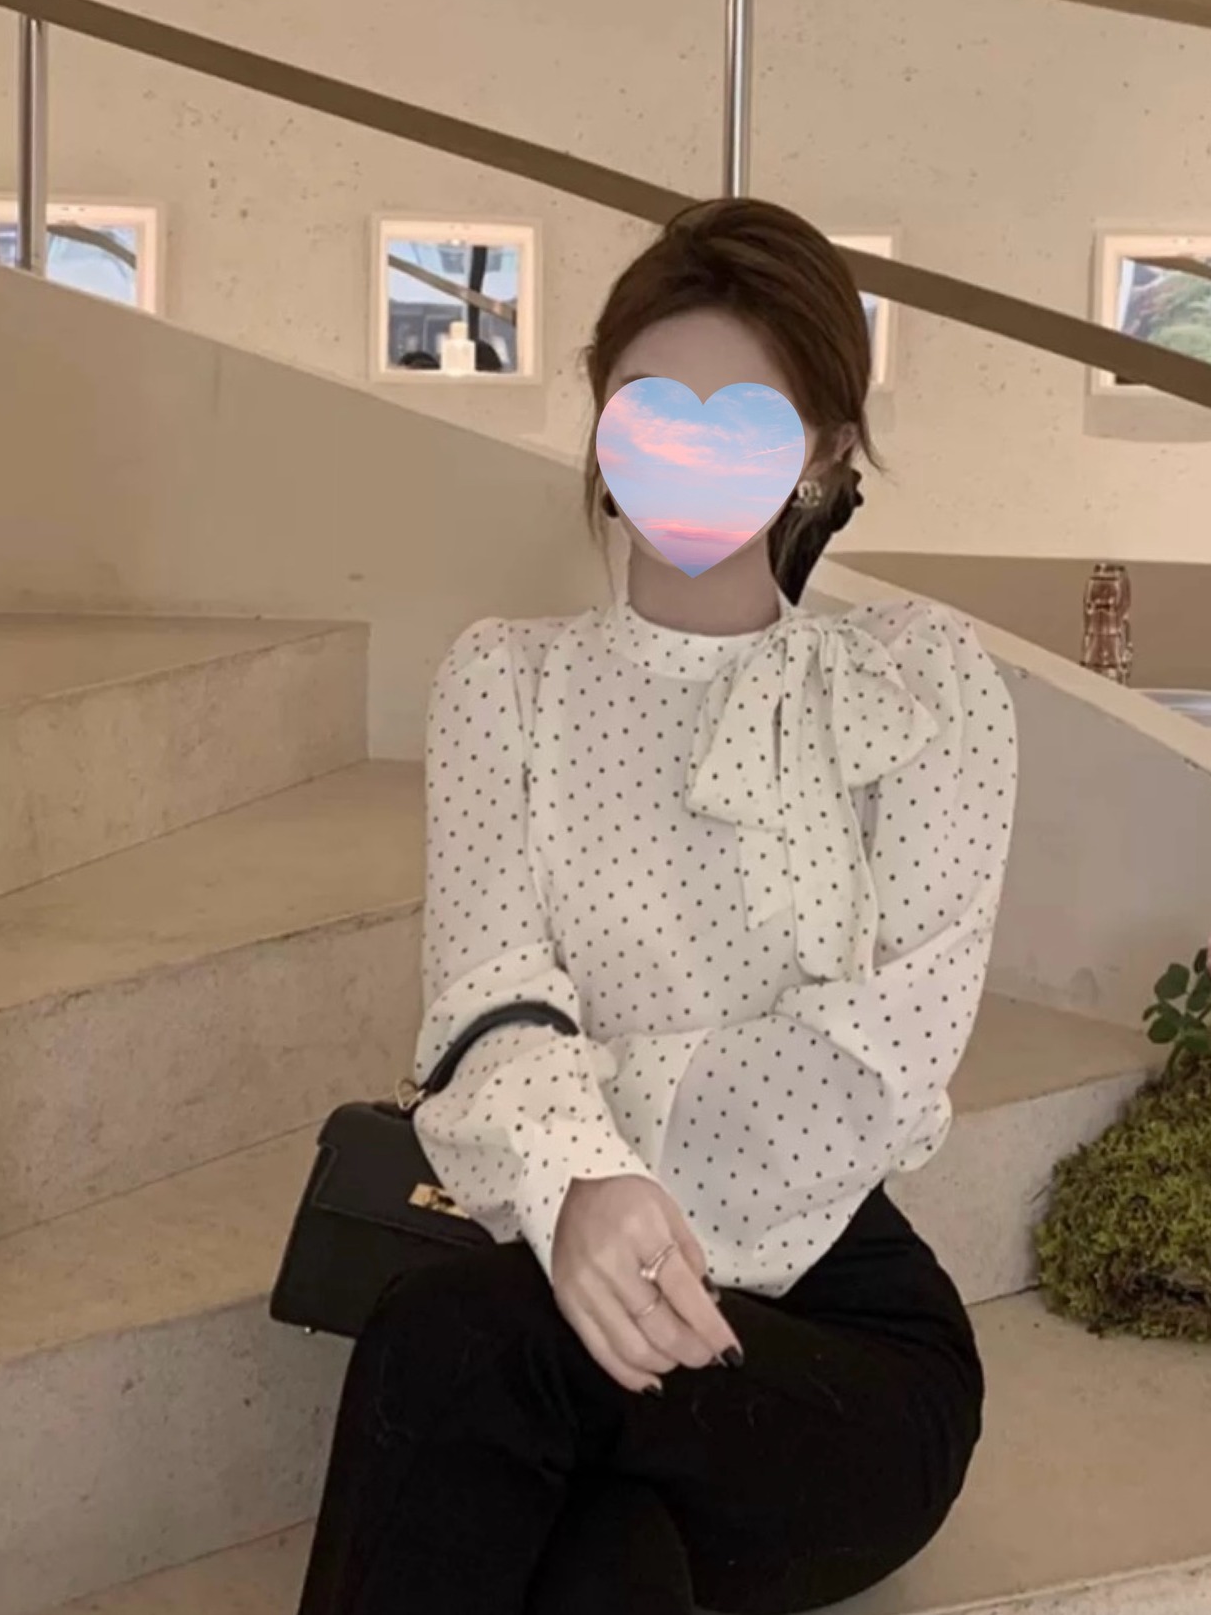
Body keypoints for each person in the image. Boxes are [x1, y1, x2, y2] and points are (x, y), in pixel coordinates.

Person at [296, 197, 1018, 1615]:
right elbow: (489, 1002)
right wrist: (577, 1183)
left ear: (824, 451)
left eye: (742, 418)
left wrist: (584, 1175)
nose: (686, 450)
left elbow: (881, 1058)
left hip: (841, 1345)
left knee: (463, 1343)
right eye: (648, 406)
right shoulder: (508, 684)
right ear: (599, 419)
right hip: (571, 1290)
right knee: (599, 1552)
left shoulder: (918, 687)